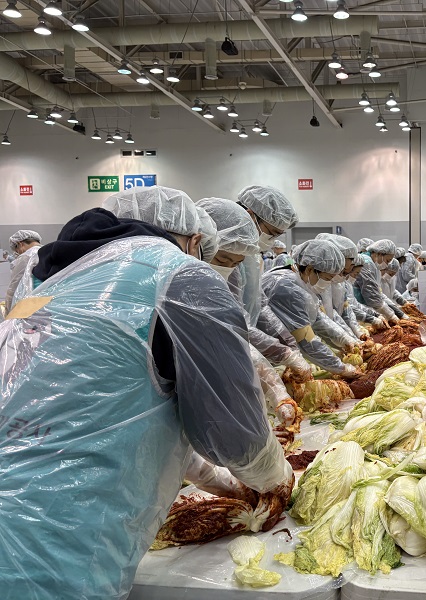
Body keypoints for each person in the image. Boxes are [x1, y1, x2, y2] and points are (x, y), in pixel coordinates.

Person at [0, 206, 292, 600]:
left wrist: (220, 483)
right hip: (54, 541)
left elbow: (121, 418)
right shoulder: (181, 275)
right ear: (196, 241)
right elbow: (236, 438)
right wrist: (277, 477)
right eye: (223, 259)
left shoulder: (60, 282)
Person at [196, 197, 311, 383]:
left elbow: (259, 305)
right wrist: (282, 353)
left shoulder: (247, 258)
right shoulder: (224, 255)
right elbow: (234, 323)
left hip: (242, 349)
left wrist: (288, 344)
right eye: (272, 233)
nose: (272, 240)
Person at [262, 239, 360, 377]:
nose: (328, 283)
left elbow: (318, 318)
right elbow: (305, 339)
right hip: (271, 358)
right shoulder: (287, 288)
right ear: (309, 269)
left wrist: (344, 338)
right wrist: (341, 368)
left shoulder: (299, 282)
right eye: (327, 278)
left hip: (280, 353)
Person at [235, 185, 299, 327]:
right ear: (250, 216)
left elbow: (259, 302)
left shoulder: (252, 256)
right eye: (272, 232)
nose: (272, 240)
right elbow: (233, 318)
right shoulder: (229, 256)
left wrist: (283, 339)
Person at [354, 239, 402, 325]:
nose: (387, 265)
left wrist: (396, 311)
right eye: (387, 260)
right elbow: (372, 296)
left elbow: (378, 292)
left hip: (366, 311)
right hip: (360, 312)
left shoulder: (373, 266)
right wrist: (391, 315)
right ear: (379, 253)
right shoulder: (367, 263)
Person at [5, 229, 42, 310]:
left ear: (19, 244)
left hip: (32, 306)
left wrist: (8, 312)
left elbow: (13, 288)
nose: (18, 253)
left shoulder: (26, 257)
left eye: (16, 251)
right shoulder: (48, 251)